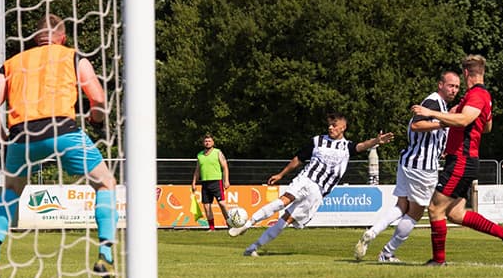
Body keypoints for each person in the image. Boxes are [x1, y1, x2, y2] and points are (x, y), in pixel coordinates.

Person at [0, 14, 118, 278]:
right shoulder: (73, 56)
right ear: (62, 38)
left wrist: (3, 140)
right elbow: (99, 99)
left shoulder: (10, 64)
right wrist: (97, 120)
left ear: (35, 38)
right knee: (105, 183)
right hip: (63, 132)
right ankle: (106, 256)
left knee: (10, 191)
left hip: (22, 136)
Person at [228, 112, 394, 257]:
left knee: (286, 220)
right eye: (329, 124)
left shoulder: (347, 146)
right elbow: (298, 159)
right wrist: (281, 174)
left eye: (334, 125)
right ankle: (247, 224)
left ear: (343, 127)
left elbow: (362, 146)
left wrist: (376, 141)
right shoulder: (317, 141)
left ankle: (253, 248)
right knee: (283, 201)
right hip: (306, 178)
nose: (330, 127)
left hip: (318, 192)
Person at [411, 54, 503, 266]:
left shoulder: (477, 95)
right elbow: (487, 126)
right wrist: (458, 113)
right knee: (456, 213)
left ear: (467, 73)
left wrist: (431, 112)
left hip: (462, 159)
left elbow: (465, 120)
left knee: (434, 208)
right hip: (463, 158)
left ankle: (438, 261)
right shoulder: (484, 96)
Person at [354, 71, 460, 262]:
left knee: (402, 206)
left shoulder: (440, 106)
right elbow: (417, 125)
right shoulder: (433, 102)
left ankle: (373, 231)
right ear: (440, 85)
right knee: (415, 213)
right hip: (422, 167)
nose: (454, 90)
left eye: (457, 87)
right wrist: (443, 124)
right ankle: (387, 252)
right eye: (451, 85)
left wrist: (440, 146)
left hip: (409, 161)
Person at [191, 133, 231, 231]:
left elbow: (225, 167)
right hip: (205, 183)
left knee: (222, 204)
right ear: (203, 143)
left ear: (213, 142)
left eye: (209, 141)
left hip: (216, 182)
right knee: (206, 206)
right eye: (206, 141)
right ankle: (211, 228)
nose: (207, 143)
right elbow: (197, 170)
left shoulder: (218, 152)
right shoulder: (200, 155)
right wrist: (193, 182)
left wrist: (226, 180)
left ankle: (230, 224)